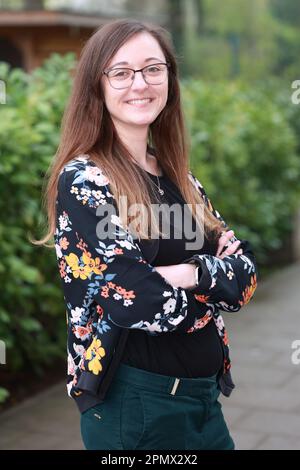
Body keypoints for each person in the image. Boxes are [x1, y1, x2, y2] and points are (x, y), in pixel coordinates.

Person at [39, 18, 258, 450]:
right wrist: (212, 289)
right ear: (96, 87)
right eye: (121, 72)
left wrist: (188, 273)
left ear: (169, 81)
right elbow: (135, 300)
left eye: (153, 69)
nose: (140, 83)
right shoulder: (84, 180)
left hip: (204, 401)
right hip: (136, 409)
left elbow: (246, 273)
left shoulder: (179, 176)